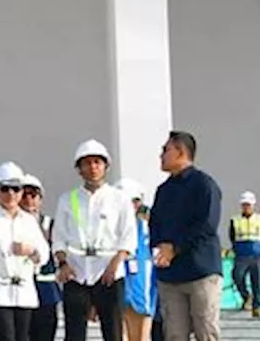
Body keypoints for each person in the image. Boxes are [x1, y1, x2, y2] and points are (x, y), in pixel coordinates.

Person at [51, 139, 135, 341]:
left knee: (113, 331)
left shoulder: (120, 199)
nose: (93, 167)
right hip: (77, 271)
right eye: (87, 163)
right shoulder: (67, 199)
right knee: (74, 333)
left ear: (106, 166)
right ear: (79, 169)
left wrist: (115, 264)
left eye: (97, 162)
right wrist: (63, 263)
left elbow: (128, 236)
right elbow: (59, 237)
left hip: (109, 271)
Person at [149, 131, 222, 341]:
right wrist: (160, 249)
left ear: (180, 152)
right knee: (173, 334)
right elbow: (155, 225)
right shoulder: (163, 190)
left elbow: (206, 225)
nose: (161, 155)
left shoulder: (204, 185)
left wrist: (175, 248)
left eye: (166, 150)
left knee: (205, 331)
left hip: (200, 271)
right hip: (170, 275)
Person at [0, 162, 47, 341]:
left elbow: (43, 253)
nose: (11, 194)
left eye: (16, 188)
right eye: (5, 189)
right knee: (5, 336)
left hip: (24, 291)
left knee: (22, 336)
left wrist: (31, 251)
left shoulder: (29, 221)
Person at [18, 174, 58, 341]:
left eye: (33, 195)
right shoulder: (10, 223)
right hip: (20, 289)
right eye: (24, 194)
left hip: (45, 290)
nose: (28, 199)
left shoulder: (50, 224)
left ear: (40, 199)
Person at [118, 180, 157, 341]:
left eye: (136, 202)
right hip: (117, 285)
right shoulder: (111, 227)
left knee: (142, 335)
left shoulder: (148, 226)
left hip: (142, 287)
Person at [227, 190, 260, 318]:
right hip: (241, 254)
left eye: (248, 204)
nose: (246, 207)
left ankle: (256, 308)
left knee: (257, 282)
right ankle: (246, 297)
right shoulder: (234, 220)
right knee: (237, 276)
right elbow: (232, 236)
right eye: (244, 205)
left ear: (253, 205)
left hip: (258, 255)